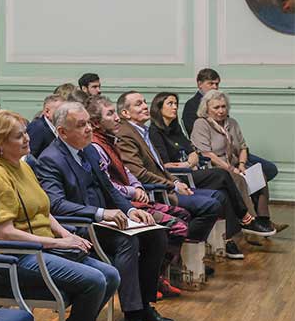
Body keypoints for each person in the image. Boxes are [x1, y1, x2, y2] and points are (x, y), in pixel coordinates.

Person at [0, 110, 119, 321]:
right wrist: (59, 242)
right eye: (18, 136)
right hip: (12, 259)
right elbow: (5, 233)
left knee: (111, 275)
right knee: (95, 280)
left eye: (25, 133)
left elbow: (44, 210)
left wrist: (67, 234)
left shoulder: (23, 166)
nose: (27, 139)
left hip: (41, 250)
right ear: (0, 143)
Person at [34, 103, 175, 321]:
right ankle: (132, 320)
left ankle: (145, 306)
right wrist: (100, 213)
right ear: (62, 132)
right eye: (81, 125)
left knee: (156, 235)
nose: (89, 129)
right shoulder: (50, 159)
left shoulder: (88, 150)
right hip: (79, 227)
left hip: (106, 221)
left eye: (89, 123)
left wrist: (130, 210)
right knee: (127, 241)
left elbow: (108, 188)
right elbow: (55, 205)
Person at [86, 96, 191, 297]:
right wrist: (133, 191)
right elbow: (109, 186)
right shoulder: (96, 146)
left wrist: (136, 185)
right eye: (110, 114)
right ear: (97, 123)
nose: (117, 118)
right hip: (119, 207)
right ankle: (150, 280)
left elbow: (126, 170)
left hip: (131, 201)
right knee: (176, 227)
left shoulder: (111, 139)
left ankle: (156, 277)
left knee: (182, 215)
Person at [148, 92, 275, 256]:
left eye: (176, 103)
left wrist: (191, 159)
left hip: (192, 170)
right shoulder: (155, 132)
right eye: (170, 104)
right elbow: (165, 165)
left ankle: (230, 238)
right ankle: (246, 219)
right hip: (179, 177)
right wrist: (188, 163)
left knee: (225, 191)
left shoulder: (175, 128)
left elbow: (192, 151)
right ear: (158, 108)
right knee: (223, 176)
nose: (175, 107)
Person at [114, 91, 222, 244]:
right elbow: (140, 173)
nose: (145, 106)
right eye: (139, 104)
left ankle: (186, 246)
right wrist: (173, 185)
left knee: (218, 196)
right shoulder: (126, 134)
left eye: (144, 102)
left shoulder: (142, 131)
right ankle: (182, 247)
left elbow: (161, 168)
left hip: (167, 185)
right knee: (211, 205)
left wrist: (177, 182)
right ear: (125, 113)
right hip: (157, 192)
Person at [190, 90, 280, 234]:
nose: (221, 111)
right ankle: (250, 220)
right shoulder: (201, 124)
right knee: (238, 179)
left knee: (259, 174)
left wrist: (242, 164)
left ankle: (263, 218)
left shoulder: (232, 123)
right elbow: (207, 154)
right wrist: (231, 169)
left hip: (235, 164)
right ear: (206, 109)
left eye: (223, 106)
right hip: (216, 167)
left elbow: (243, 147)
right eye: (216, 107)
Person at [181, 67, 221, 136]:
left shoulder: (220, 103)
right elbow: (192, 130)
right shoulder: (191, 105)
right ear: (200, 84)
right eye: (211, 83)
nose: (215, 87)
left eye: (216, 84)